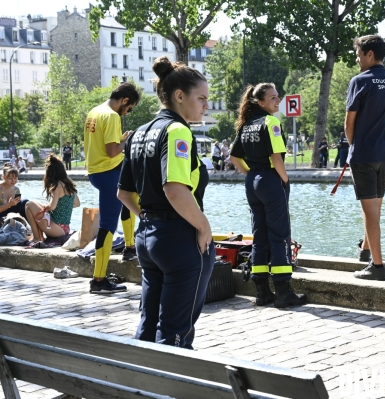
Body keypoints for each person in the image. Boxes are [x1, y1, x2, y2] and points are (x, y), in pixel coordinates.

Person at [117, 56, 215, 349]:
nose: (206, 105)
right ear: (179, 96)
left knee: (148, 325)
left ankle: (140, 385)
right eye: (201, 98)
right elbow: (174, 189)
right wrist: (203, 225)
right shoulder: (177, 131)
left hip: (148, 238)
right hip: (178, 240)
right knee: (175, 332)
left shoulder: (138, 134)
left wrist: (148, 217)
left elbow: (123, 193)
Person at [229, 82, 307, 308]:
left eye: (278, 97)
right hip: (270, 180)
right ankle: (283, 292)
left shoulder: (245, 125)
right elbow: (276, 157)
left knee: (259, 234)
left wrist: (251, 174)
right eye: (273, 98)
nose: (277, 100)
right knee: (280, 234)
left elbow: (234, 158)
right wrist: (284, 180)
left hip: (253, 182)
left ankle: (262, 291)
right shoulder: (271, 122)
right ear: (260, 102)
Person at [345, 35, 385, 281]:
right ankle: (366, 251)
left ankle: (377, 267)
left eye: (359, 55)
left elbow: (349, 123)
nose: (358, 60)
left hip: (364, 154)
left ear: (370, 54)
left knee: (370, 211)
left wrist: (354, 147)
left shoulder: (360, 81)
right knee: (375, 206)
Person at [83, 82, 141, 294]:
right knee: (107, 226)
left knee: (130, 198)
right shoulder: (112, 116)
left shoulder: (95, 111)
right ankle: (98, 281)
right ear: (124, 100)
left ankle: (130, 246)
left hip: (96, 172)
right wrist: (128, 141)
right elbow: (111, 151)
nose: (127, 112)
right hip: (109, 172)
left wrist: (121, 139)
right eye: (129, 108)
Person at [24, 155, 80, 243]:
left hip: (55, 228)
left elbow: (52, 207)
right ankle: (39, 237)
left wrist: (45, 206)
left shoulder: (57, 185)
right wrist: (62, 206)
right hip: (65, 229)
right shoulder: (69, 184)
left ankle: (37, 238)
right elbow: (77, 204)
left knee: (29, 204)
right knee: (35, 203)